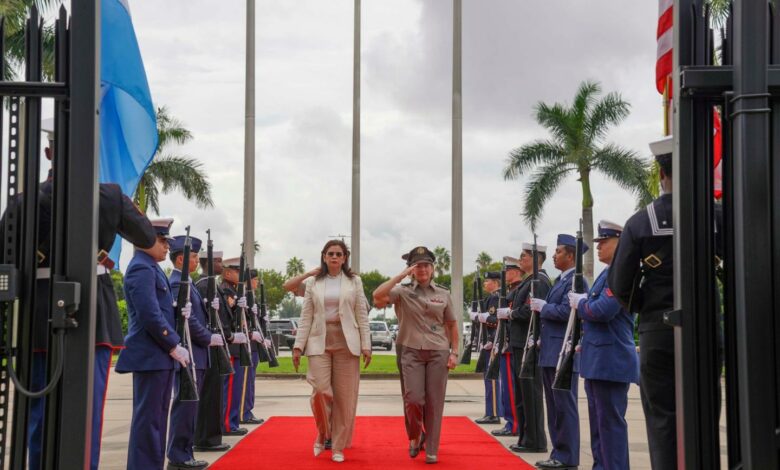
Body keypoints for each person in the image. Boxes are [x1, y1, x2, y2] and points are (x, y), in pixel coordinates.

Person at [0, 126, 157, 470]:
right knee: (88, 412)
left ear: (48, 154)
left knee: (39, 410)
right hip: (94, 315)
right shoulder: (110, 196)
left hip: (38, 311)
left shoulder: (24, 200)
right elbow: (146, 236)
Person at [608, 136, 675, 470]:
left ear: (661, 175)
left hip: (658, 328)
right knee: (707, 408)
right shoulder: (717, 214)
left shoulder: (641, 221)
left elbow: (620, 283)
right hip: (706, 326)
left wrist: (643, 308)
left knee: (662, 416)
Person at [373, 246, 459, 465]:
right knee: (413, 399)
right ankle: (415, 436)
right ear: (411, 269)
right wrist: (401, 276)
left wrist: (455, 352)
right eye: (417, 265)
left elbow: (451, 324)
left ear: (432, 268)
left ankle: (431, 448)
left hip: (438, 351)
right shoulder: (402, 291)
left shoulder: (443, 293)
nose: (422, 269)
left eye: (426, 265)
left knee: (434, 402)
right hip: (410, 350)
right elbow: (377, 295)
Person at [115, 218, 190, 470]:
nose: (166, 247)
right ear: (142, 239)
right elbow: (149, 314)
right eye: (161, 241)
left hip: (158, 356)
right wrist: (172, 343)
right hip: (151, 354)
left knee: (157, 421)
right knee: (148, 422)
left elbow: (159, 308)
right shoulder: (141, 268)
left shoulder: (152, 268)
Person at [291, 239, 371, 463]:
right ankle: (323, 431)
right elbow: (306, 316)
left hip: (347, 341)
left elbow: (361, 315)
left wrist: (366, 345)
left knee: (345, 398)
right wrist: (298, 346)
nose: (334, 257)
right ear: (324, 257)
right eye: (330, 254)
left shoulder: (355, 282)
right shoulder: (314, 283)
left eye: (339, 254)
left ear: (344, 258)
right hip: (319, 339)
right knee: (320, 390)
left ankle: (337, 446)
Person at [569, 220, 639, 470]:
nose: (598, 248)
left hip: (611, 360)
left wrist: (581, 304)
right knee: (600, 425)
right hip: (599, 359)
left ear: (620, 243)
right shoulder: (608, 272)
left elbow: (603, 311)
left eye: (604, 242)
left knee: (610, 426)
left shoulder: (620, 271)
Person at [530, 234, 589, 470]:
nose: (553, 256)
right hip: (551, 351)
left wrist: (545, 307)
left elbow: (569, 312)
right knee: (554, 406)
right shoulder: (560, 280)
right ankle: (558, 452)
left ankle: (568, 456)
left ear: (571, 256)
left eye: (558, 252)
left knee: (565, 407)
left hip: (562, 352)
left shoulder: (577, 281)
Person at [167, 235, 221, 470]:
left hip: (195, 353)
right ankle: (179, 455)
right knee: (185, 405)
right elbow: (188, 322)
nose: (197, 261)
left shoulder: (186, 282)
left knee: (190, 406)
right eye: (194, 257)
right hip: (190, 351)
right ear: (181, 259)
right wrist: (209, 337)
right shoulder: (179, 283)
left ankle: (184, 452)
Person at [508, 243, 550, 454]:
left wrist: (511, 314)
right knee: (522, 394)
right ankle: (526, 437)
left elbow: (529, 311)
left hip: (529, 344)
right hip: (520, 343)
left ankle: (535, 440)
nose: (520, 259)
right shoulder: (529, 281)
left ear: (535, 258)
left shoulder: (539, 281)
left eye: (523, 256)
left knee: (530, 394)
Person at [193, 248, 235, 452]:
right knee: (209, 395)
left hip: (217, 344)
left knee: (214, 394)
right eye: (218, 261)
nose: (222, 264)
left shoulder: (212, 285)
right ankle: (206, 439)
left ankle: (211, 436)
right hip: (209, 346)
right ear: (207, 262)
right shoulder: (203, 285)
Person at [219, 258, 253, 436]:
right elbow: (228, 318)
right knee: (230, 387)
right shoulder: (226, 291)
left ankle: (232, 421)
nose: (241, 275)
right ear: (227, 273)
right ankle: (227, 423)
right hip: (232, 346)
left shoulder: (234, 291)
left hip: (238, 344)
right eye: (237, 271)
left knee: (237, 386)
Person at [491, 257, 524, 438]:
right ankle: (510, 421)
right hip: (506, 342)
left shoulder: (518, 289)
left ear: (517, 271)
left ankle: (514, 424)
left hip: (511, 344)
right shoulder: (511, 290)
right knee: (506, 388)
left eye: (508, 270)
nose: (505, 274)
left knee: (511, 388)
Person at [473, 272, 500, 425]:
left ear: (495, 282)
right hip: (488, 342)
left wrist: (485, 318)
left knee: (492, 380)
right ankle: (490, 411)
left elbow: (496, 321)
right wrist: (477, 317)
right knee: (488, 379)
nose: (485, 283)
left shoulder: (495, 298)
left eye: (487, 281)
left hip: (492, 342)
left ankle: (494, 413)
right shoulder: (491, 297)